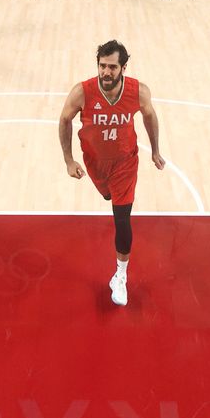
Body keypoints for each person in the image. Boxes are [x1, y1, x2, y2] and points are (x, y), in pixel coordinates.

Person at [57, 40, 165, 307]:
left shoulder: (138, 92)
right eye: (102, 66)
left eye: (112, 67)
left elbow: (150, 117)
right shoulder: (82, 92)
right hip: (95, 162)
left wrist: (155, 151)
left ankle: (120, 275)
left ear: (123, 68)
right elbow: (64, 119)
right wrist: (69, 160)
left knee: (122, 218)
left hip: (124, 164)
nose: (106, 72)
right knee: (107, 197)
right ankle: (107, 192)